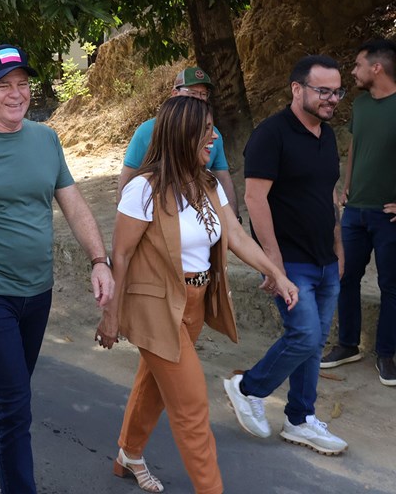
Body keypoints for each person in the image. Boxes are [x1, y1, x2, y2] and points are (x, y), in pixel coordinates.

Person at [0, 44, 114, 494]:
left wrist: (99, 260)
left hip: (38, 290)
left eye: (23, 84)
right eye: (4, 85)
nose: (17, 93)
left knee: (11, 389)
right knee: (15, 400)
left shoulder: (46, 140)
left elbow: (73, 204)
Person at [95, 95, 297, 494]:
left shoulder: (207, 185)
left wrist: (277, 273)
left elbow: (235, 235)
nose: (214, 136)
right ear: (181, 134)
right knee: (191, 407)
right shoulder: (143, 190)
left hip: (195, 303)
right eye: (206, 130)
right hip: (157, 308)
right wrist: (111, 316)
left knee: (153, 385)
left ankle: (128, 454)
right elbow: (121, 254)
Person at [224, 55, 347, 454]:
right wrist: (273, 265)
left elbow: (329, 195)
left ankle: (300, 419)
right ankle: (247, 387)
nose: (332, 99)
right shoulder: (271, 135)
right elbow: (254, 199)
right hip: (291, 260)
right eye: (323, 91)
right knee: (305, 334)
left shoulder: (327, 135)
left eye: (337, 92)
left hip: (324, 259)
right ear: (297, 89)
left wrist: (338, 247)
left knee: (313, 342)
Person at [322, 38, 396, 386]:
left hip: (388, 216)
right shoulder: (362, 104)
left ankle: (386, 354)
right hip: (355, 211)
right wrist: (347, 184)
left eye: (357, 65)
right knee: (345, 276)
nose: (353, 71)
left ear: (376, 67)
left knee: (390, 285)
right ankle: (348, 345)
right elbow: (355, 146)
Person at [116, 67, 239, 218]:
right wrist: (124, 214)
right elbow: (127, 177)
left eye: (203, 94)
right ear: (174, 94)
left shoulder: (214, 135)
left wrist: (234, 218)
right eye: (193, 93)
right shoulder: (146, 132)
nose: (199, 99)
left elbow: (223, 177)